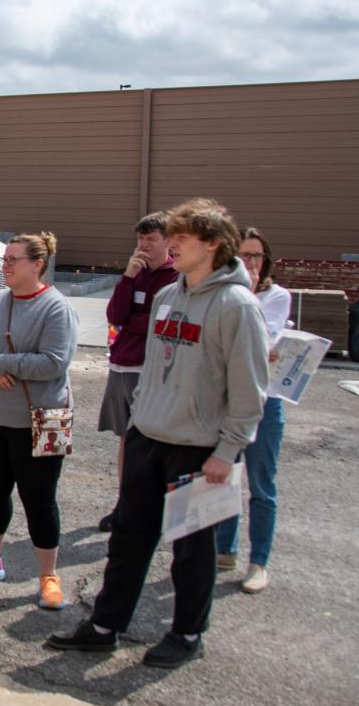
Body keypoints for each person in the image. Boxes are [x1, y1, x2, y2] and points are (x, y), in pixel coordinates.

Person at [49, 198, 269, 669]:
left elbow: (250, 392)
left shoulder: (237, 305)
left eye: (182, 238)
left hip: (199, 448)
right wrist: (140, 419)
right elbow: (152, 369)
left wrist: (227, 452)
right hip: (149, 435)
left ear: (212, 244)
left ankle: (187, 634)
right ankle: (105, 627)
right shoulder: (169, 296)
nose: (172, 244)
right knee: (128, 538)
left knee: (191, 550)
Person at [0, 232, 78, 611]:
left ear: (37, 264)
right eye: (4, 259)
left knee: (40, 501)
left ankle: (48, 577)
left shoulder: (57, 308)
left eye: (13, 259)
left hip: (44, 419)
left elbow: (54, 362)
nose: (5, 265)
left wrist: (0, 363)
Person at [214, 227, 291, 594]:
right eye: (243, 255)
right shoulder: (225, 295)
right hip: (226, 400)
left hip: (266, 402)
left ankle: (258, 561)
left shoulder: (276, 296)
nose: (250, 262)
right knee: (225, 477)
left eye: (257, 255)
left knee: (262, 485)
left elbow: (265, 341)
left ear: (266, 259)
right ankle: (223, 550)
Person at [97, 212, 177, 532]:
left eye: (151, 240)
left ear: (168, 242)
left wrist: (132, 321)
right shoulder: (136, 272)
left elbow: (163, 325)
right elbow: (115, 314)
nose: (143, 246)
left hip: (153, 371)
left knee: (155, 444)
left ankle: (158, 510)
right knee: (127, 441)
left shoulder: (175, 278)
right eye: (140, 239)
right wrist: (128, 277)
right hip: (122, 365)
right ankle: (125, 506)